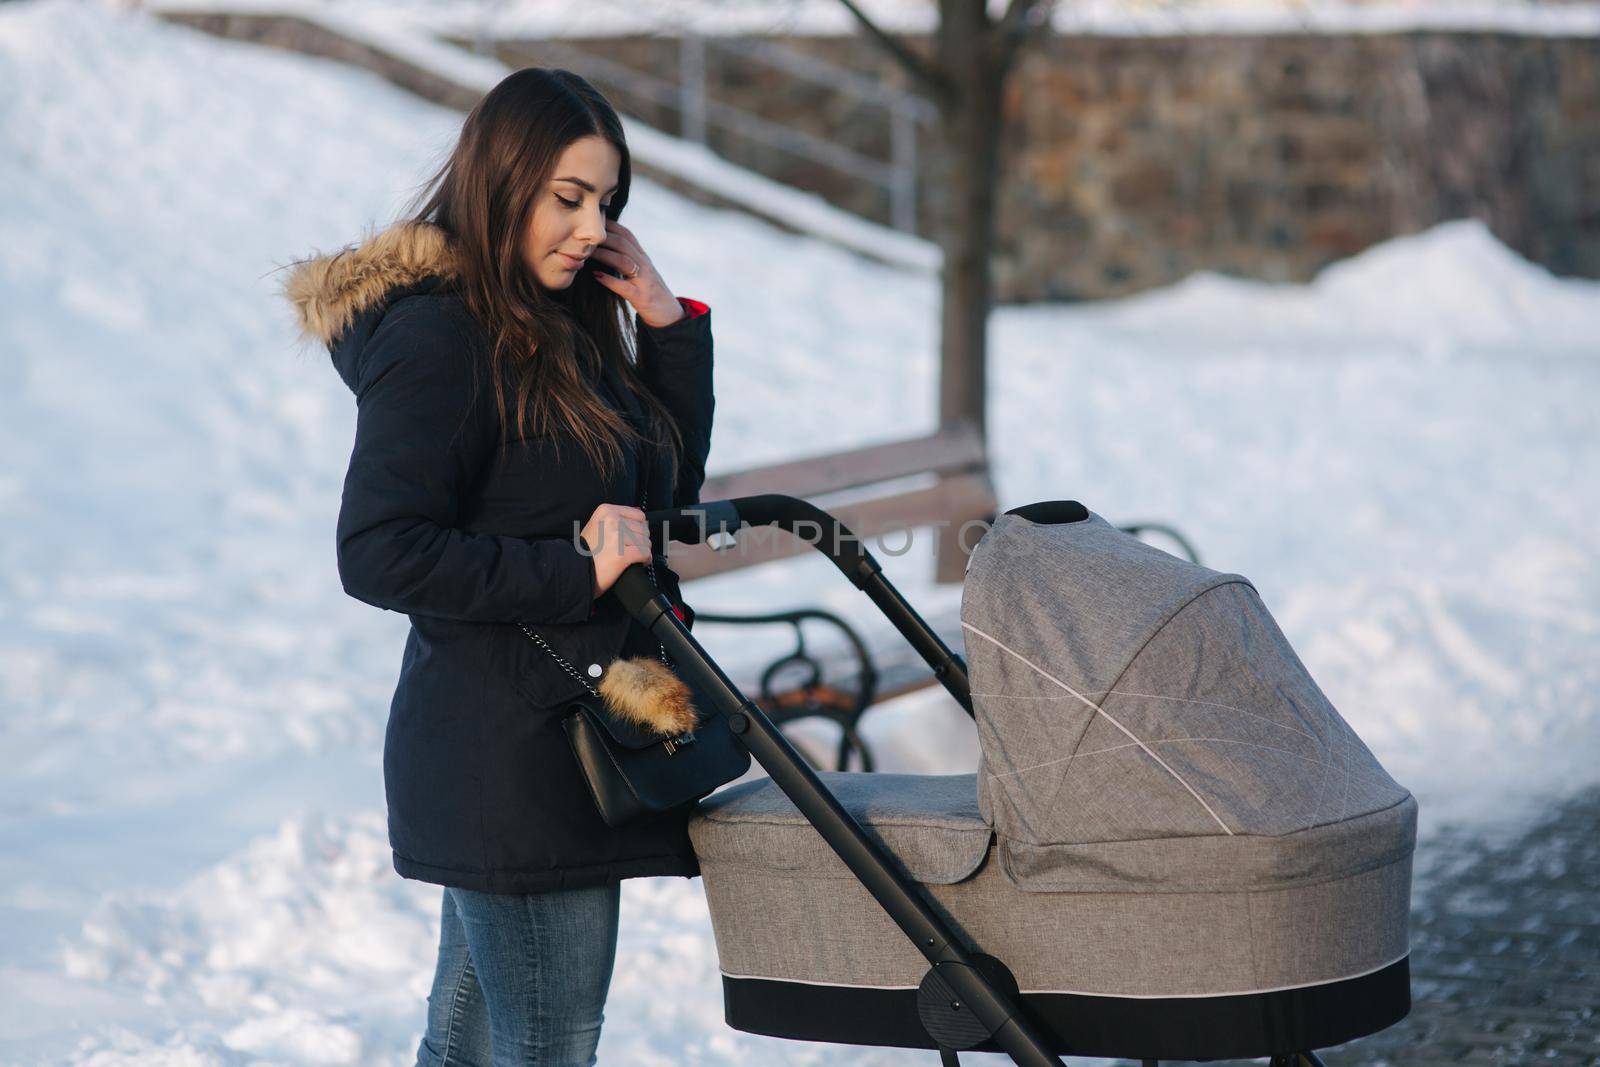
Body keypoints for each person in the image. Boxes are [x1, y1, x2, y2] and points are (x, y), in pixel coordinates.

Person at [283, 68, 714, 1066]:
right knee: (544, 1046)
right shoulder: (443, 338)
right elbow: (379, 548)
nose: (590, 227)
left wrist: (664, 327)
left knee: (470, 1043)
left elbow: (664, 498)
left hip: (556, 736)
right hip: (509, 751)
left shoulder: (559, 324)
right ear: (500, 178)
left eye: (606, 203)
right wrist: (577, 575)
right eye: (568, 198)